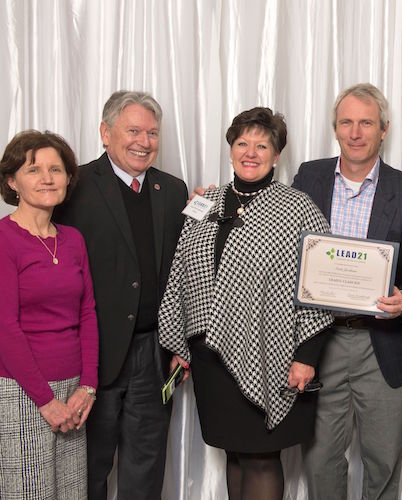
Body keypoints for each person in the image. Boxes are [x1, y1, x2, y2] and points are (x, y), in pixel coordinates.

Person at [158, 107, 333, 500]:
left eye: (262, 145)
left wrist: (306, 355)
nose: (250, 152)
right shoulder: (205, 204)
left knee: (260, 458)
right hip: (210, 358)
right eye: (242, 143)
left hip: (270, 356)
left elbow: (318, 288)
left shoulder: (297, 208)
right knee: (234, 453)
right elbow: (182, 276)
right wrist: (180, 347)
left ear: (276, 155)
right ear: (230, 149)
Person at [293, 83, 402, 499]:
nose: (355, 132)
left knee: (383, 458)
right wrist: (214, 200)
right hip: (320, 339)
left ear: (383, 129)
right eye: (346, 122)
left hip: (381, 343)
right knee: (319, 459)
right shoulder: (308, 177)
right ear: (335, 129)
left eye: (365, 123)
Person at [54, 91, 188, 500]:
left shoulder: (173, 190)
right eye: (133, 130)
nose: (143, 141)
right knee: (88, 468)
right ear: (105, 132)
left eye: (152, 132)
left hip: (155, 352)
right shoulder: (73, 187)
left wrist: (181, 343)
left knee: (145, 469)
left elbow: (183, 274)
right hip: (92, 355)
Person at [0, 130, 98, 499]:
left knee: (72, 493)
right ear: (12, 180)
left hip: (73, 393)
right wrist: (45, 401)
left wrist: (87, 387)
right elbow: (4, 327)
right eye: (33, 169)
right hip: (21, 391)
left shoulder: (72, 239)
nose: (46, 178)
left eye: (56, 169)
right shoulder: (4, 239)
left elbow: (87, 313)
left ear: (68, 178)